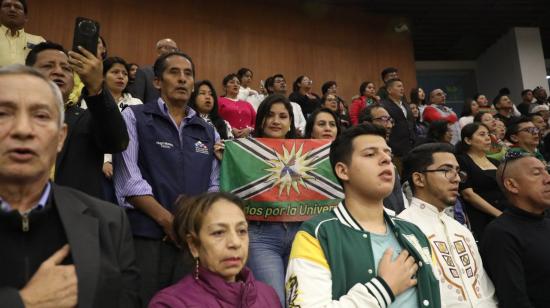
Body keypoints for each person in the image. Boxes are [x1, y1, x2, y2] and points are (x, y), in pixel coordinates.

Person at [0, 65, 139, 308]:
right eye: (2, 114)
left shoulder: (109, 223)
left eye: (41, 116)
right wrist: (23, 302)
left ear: (61, 137)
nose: (23, 130)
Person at [286, 124, 440, 307]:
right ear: (343, 171)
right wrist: (383, 289)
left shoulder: (414, 233)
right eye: (370, 154)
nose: (385, 160)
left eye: (388, 154)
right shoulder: (317, 235)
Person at [113, 51, 220, 306]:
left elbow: (214, 186)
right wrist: (168, 221)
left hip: (191, 241)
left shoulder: (208, 130)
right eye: (174, 72)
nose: (183, 79)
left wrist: (192, 224)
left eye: (188, 74)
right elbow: (129, 180)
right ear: (157, 82)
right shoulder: (134, 116)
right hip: (146, 235)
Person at [26, 41, 129, 200]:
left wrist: (96, 88)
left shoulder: (89, 117)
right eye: (48, 66)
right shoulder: (9, 117)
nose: (58, 72)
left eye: (67, 69)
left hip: (74, 217)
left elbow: (117, 142)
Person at [398, 143, 497, 307]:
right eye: (446, 170)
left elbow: (485, 290)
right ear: (419, 179)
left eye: (458, 171)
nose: (457, 178)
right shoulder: (404, 228)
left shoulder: (461, 230)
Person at [149, 192, 281, 308]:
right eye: (218, 233)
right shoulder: (170, 303)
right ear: (193, 245)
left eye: (241, 231)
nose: (235, 243)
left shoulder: (268, 295)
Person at [245, 94, 298, 306]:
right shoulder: (243, 151)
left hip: (300, 234)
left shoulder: (308, 154)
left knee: (300, 301)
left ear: (290, 123)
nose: (276, 121)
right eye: (270, 115)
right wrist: (226, 157)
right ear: (261, 120)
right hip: (261, 237)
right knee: (273, 301)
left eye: (283, 116)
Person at [481, 152, 550, 308]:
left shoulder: (547, 224)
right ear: (512, 185)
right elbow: (514, 300)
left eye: (547, 171)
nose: (548, 179)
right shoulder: (500, 233)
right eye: (537, 173)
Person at [456, 123, 507, 240]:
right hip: (481, 217)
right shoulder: (462, 160)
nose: (488, 137)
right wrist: (498, 214)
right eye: (482, 134)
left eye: (488, 134)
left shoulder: (495, 162)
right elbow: (468, 194)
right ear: (468, 140)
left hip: (505, 212)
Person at [359, 104, 408, 214]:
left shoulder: (390, 157)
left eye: (390, 120)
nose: (389, 125)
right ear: (366, 124)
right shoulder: (356, 159)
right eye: (383, 120)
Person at [380, 78, 416, 165]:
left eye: (403, 86)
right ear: (389, 90)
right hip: (395, 150)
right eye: (399, 86)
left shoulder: (406, 104)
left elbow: (412, 124)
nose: (402, 88)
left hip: (411, 148)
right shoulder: (383, 105)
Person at [132, 38, 178, 103]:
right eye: (167, 47)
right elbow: (137, 101)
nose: (172, 51)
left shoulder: (178, 75)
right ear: (158, 51)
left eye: (175, 49)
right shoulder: (144, 72)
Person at [0, 0, 45, 67]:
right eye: (7, 6)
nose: (12, 9)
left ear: (26, 17)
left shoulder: (39, 41)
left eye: (17, 7)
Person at [218, 73, 256, 138]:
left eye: (238, 83)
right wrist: (230, 129)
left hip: (248, 141)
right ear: (225, 87)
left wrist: (249, 129)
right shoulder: (219, 101)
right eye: (232, 82)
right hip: (226, 139)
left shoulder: (247, 104)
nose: (235, 85)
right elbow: (214, 119)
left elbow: (258, 122)